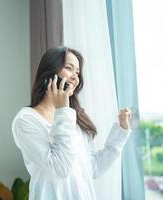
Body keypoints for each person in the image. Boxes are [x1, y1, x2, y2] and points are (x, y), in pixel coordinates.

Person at [11, 47, 132, 200]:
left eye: (77, 72)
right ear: (50, 72)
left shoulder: (73, 117)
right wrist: (63, 110)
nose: (75, 77)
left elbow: (93, 168)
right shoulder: (26, 120)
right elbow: (60, 168)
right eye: (69, 68)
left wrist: (121, 131)